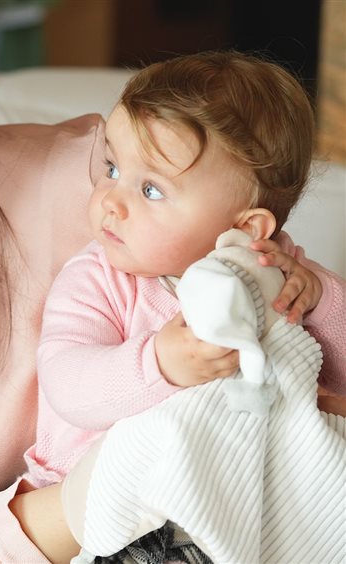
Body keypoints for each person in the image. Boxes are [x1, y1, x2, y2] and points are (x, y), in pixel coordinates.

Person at [0, 4, 342, 564]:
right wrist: (88, 499)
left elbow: (312, 386)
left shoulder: (97, 189)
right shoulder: (101, 258)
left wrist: (308, 298)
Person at [24, 52, 345, 490]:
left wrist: (321, 301)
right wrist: (160, 364)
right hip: (92, 490)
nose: (111, 200)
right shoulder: (98, 279)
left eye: (150, 189)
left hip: (237, 487)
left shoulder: (280, 277)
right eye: (112, 168)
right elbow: (67, 385)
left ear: (245, 229)